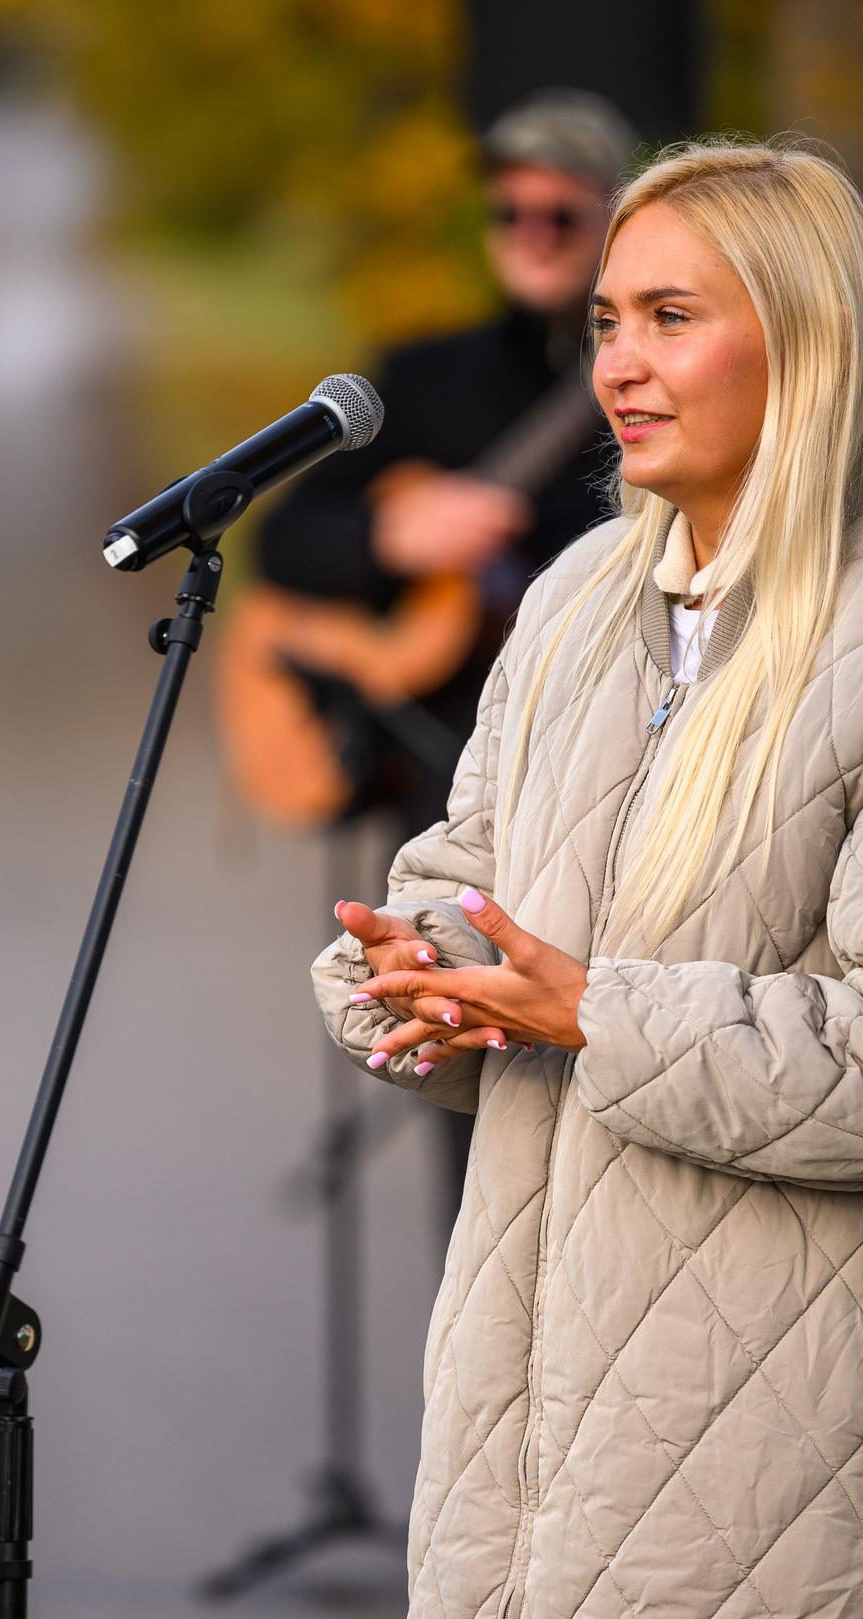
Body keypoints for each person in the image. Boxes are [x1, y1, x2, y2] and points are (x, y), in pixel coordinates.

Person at [317, 142, 863, 1619]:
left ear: (805, 336)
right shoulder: (582, 596)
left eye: (670, 316)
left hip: (802, 1486)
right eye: (606, 320)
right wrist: (417, 969)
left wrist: (593, 1009)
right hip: (540, 1444)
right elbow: (471, 867)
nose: (618, 365)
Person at [251, 88, 634, 1233]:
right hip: (448, 791)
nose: (529, 235)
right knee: (471, 1168)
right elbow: (282, 540)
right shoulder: (422, 381)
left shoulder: (645, 385)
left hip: (616, 798)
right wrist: (392, 536)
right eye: (508, 214)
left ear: (617, 222)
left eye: (559, 218)